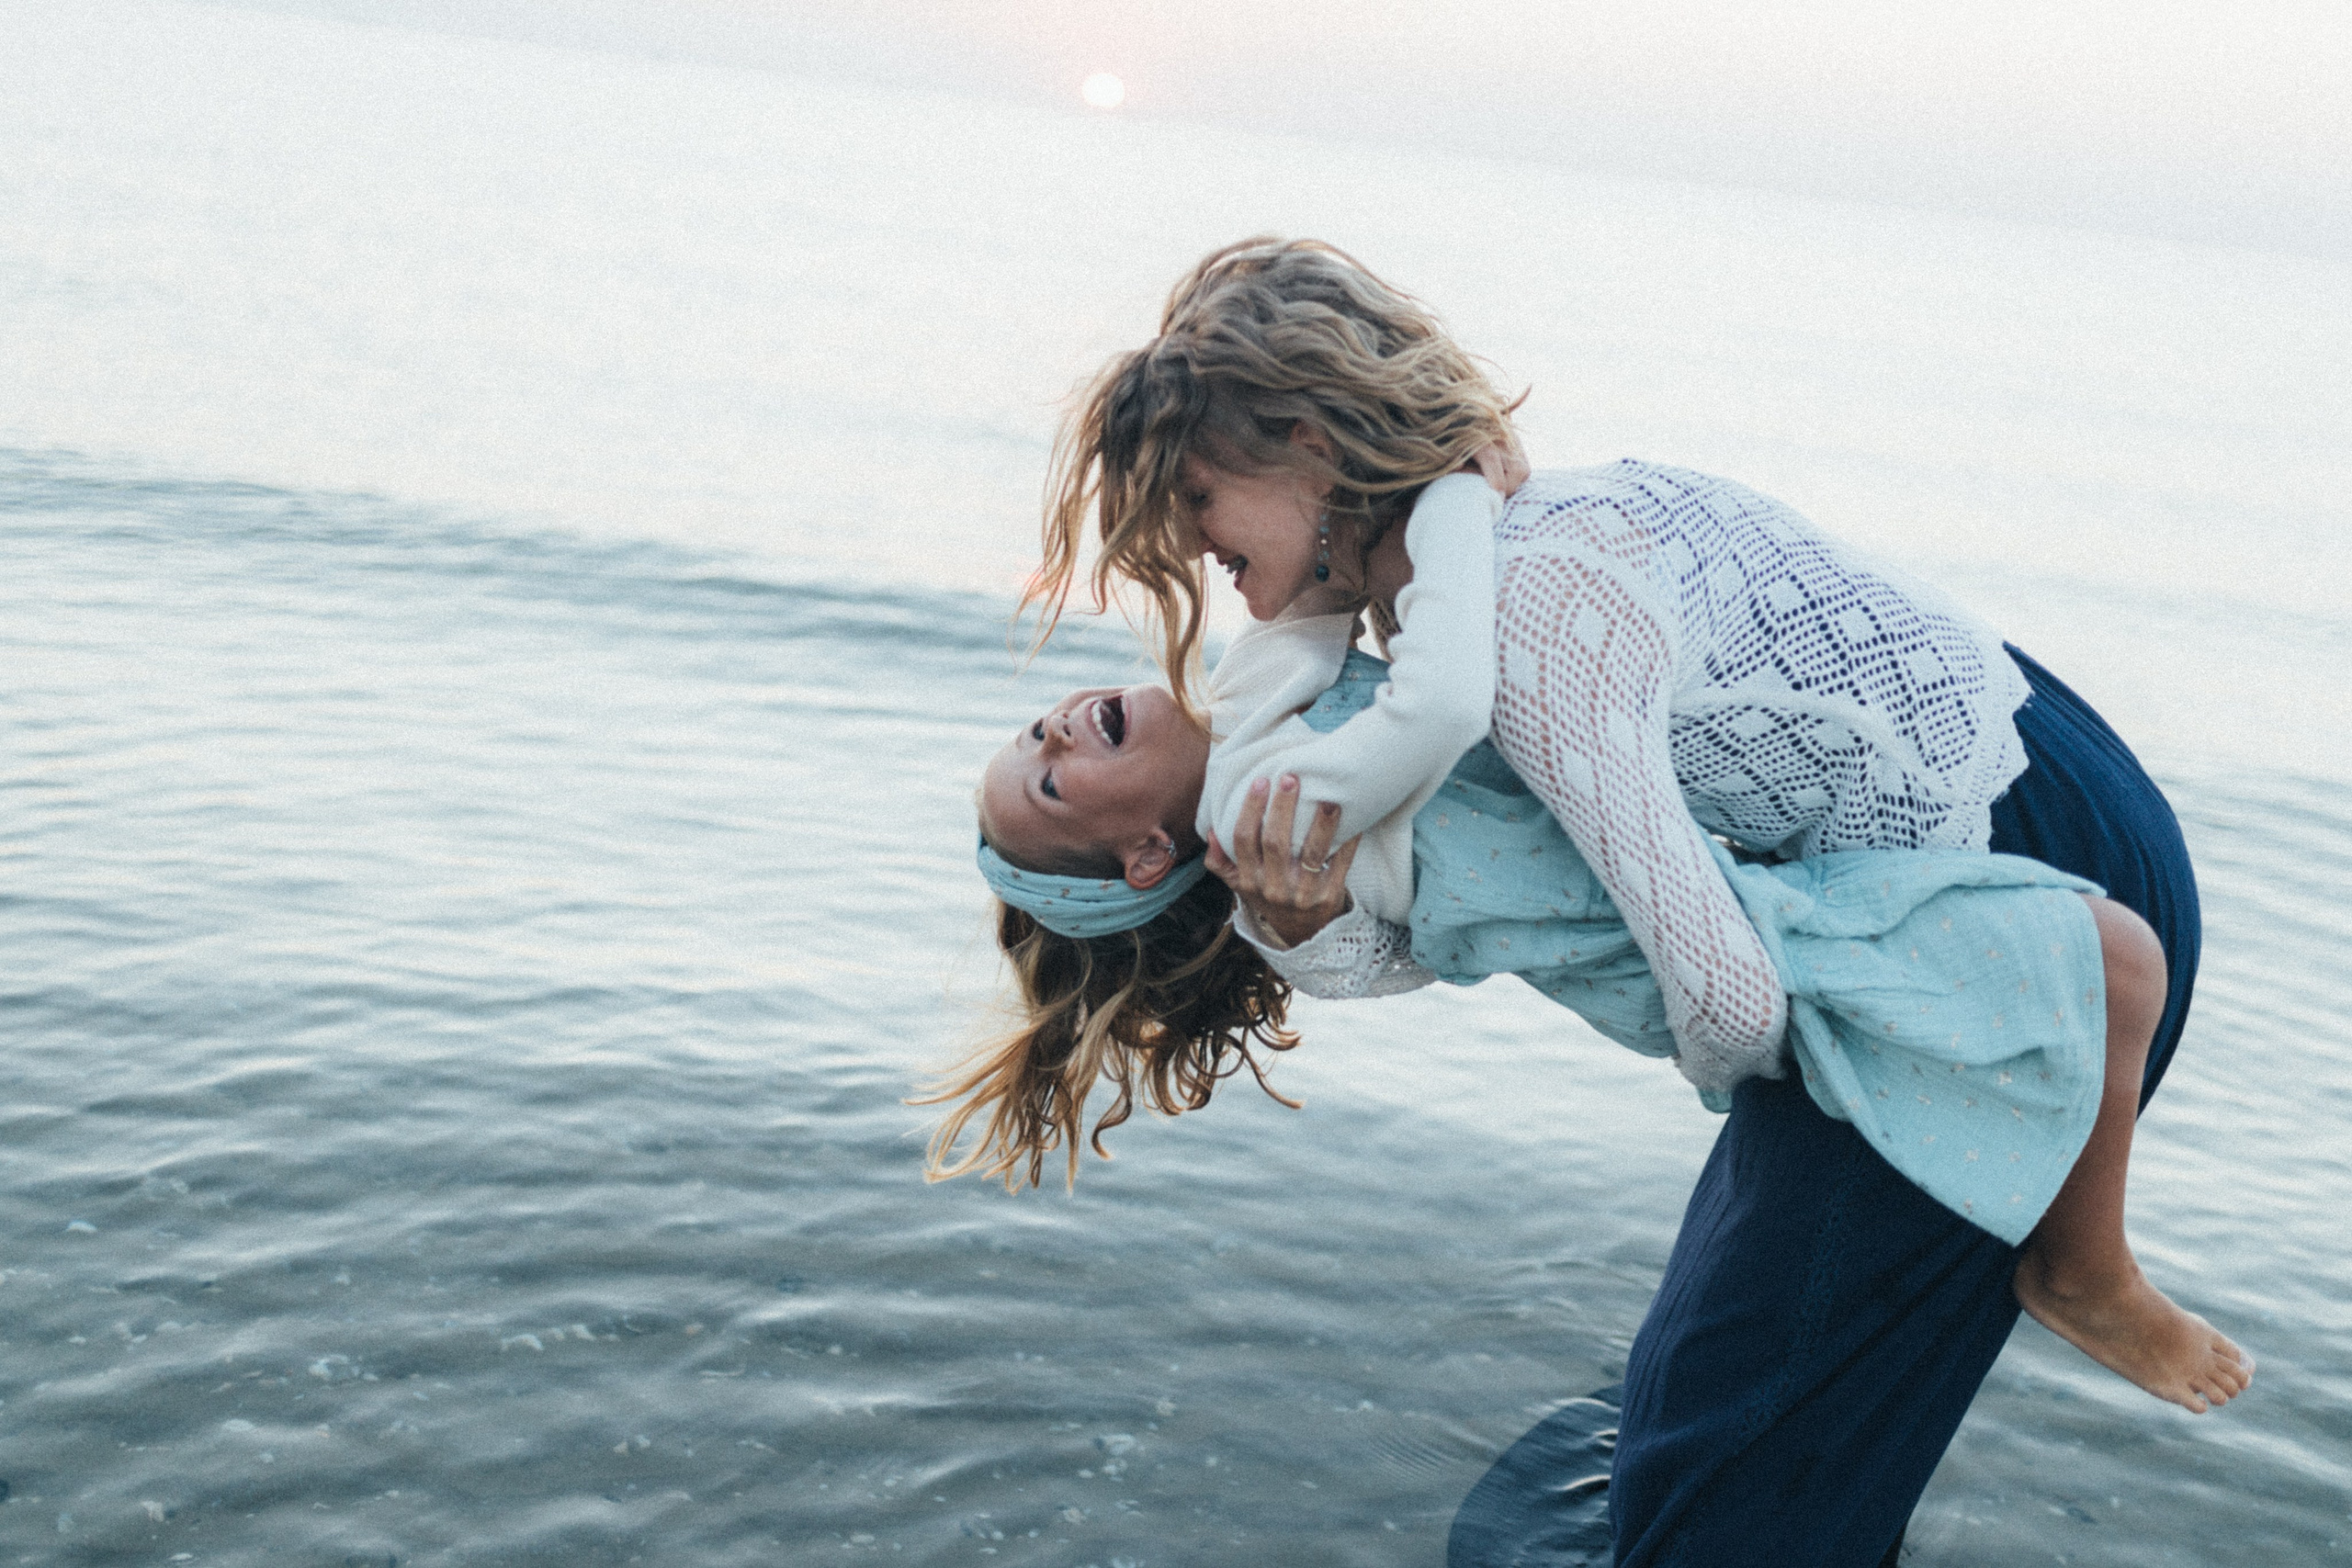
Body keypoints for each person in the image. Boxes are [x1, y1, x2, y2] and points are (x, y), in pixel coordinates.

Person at [989, 235, 2249, 1563]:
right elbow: (1483, 888)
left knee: (1741, 1465)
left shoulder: (1521, 621)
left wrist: (1737, 1065)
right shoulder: (1449, 573)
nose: (1191, 554)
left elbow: (1726, 990)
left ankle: (2072, 1271)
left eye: (1194, 499)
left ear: (1309, 443)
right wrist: (1299, 921)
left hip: (2010, 880)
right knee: (1699, 1401)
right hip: (2023, 789)